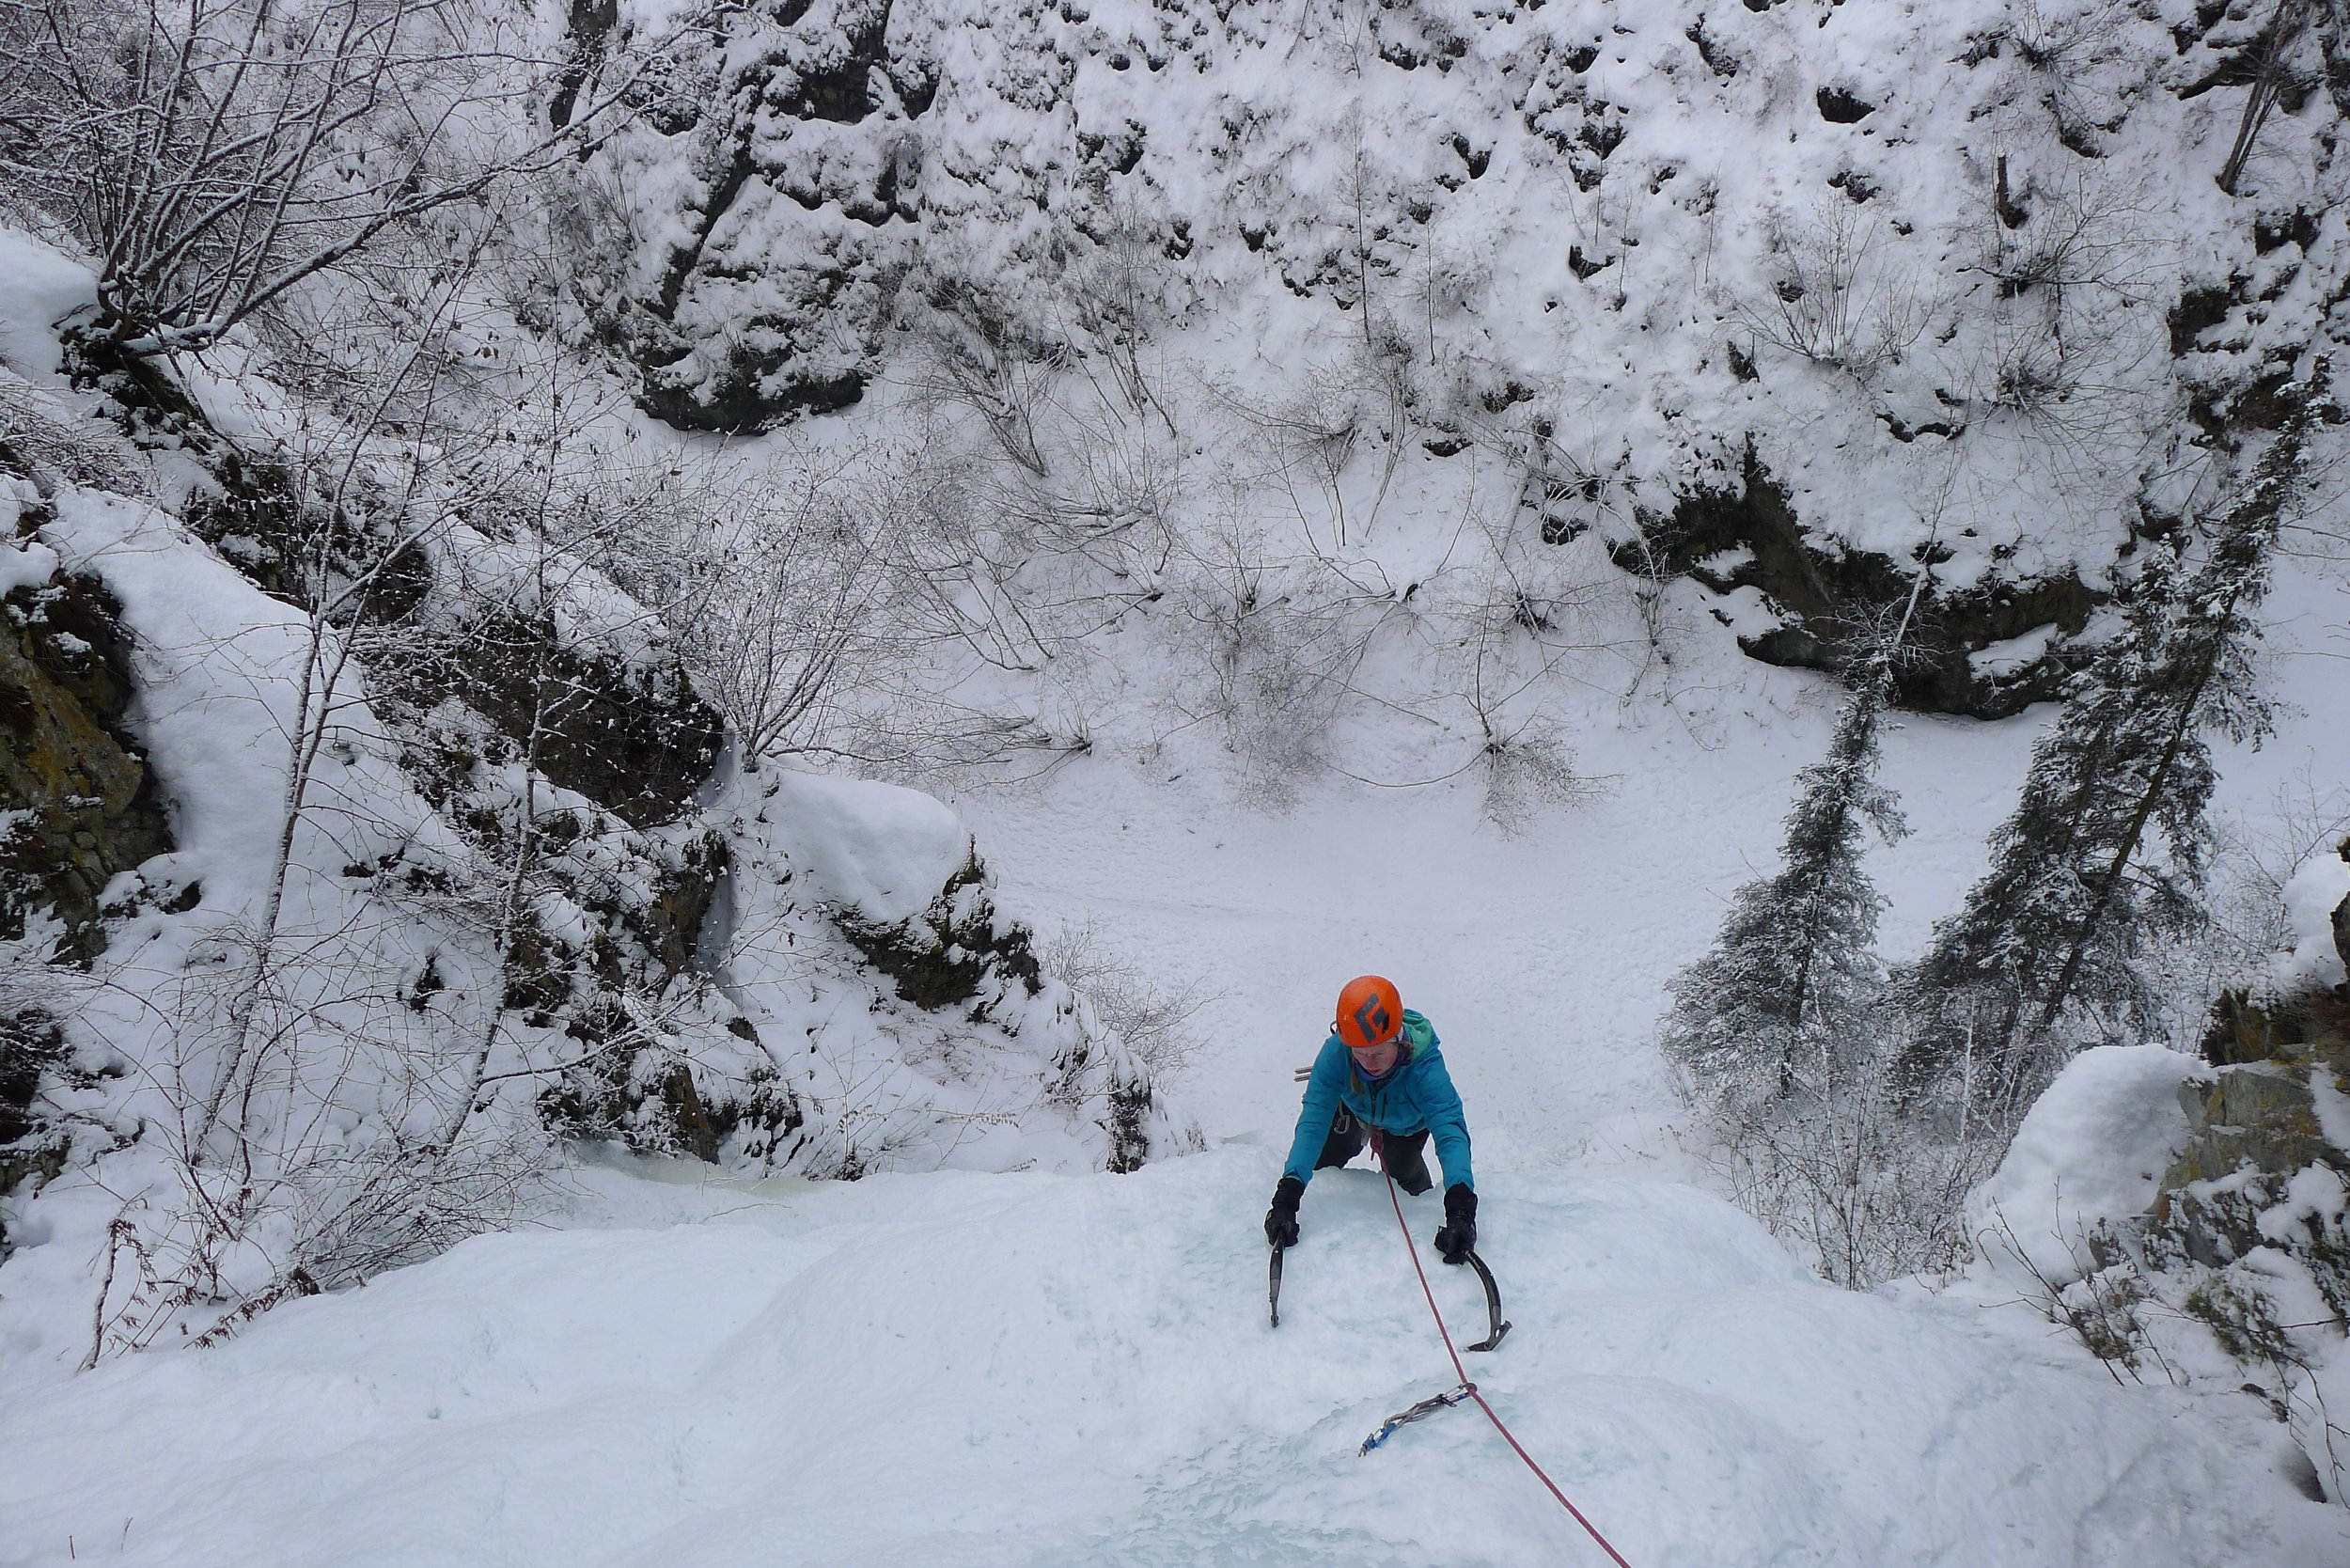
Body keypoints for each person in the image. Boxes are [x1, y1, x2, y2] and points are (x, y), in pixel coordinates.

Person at [1263, 974, 1478, 1263]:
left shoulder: (1425, 1070)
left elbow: (1450, 1131)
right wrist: (1287, 1196)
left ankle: (1421, 1189)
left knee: (1407, 1176)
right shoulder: (1336, 1054)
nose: (1370, 1062)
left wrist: (1460, 1209)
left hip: (1405, 1127)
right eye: (1360, 1054)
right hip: (1353, 1109)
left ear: (1399, 1040)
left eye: (1379, 1052)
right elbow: (1313, 1123)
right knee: (1324, 1163)